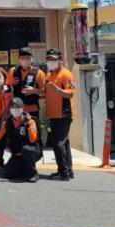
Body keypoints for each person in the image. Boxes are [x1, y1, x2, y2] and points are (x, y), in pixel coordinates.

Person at [0, 98, 40, 182]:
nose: (15, 109)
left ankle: (34, 174)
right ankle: (24, 169)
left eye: (17, 107)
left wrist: (29, 127)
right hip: (17, 153)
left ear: (22, 108)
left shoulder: (30, 121)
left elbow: (32, 140)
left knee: (26, 149)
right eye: (12, 107)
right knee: (8, 174)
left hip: (32, 151)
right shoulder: (7, 123)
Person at [44, 48, 76, 181]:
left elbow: (71, 93)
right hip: (54, 114)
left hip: (64, 113)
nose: (51, 61)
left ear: (60, 60)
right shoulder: (49, 75)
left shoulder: (66, 74)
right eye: (49, 59)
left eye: (53, 59)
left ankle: (63, 172)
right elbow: (45, 92)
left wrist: (58, 90)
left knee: (58, 143)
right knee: (64, 143)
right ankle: (68, 170)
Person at [6, 47, 46, 119]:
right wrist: (10, 83)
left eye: (27, 57)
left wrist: (34, 90)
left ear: (32, 58)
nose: (25, 59)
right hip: (16, 109)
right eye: (22, 57)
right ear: (19, 59)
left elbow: (45, 92)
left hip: (33, 109)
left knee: (32, 126)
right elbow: (5, 89)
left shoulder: (39, 73)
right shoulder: (12, 71)